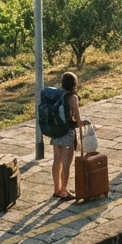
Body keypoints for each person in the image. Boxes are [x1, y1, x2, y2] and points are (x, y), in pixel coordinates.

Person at [51, 71, 85, 201]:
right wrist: (83, 123)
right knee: (66, 163)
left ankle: (56, 189)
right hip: (67, 132)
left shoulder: (57, 94)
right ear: (74, 83)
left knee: (57, 161)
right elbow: (77, 117)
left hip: (56, 131)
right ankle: (64, 190)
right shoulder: (72, 98)